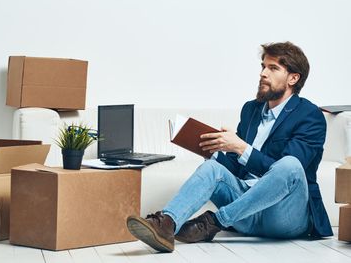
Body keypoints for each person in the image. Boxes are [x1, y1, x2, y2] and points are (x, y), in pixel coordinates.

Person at [126, 41, 332, 253]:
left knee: (290, 165)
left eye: (273, 68)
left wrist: (241, 147)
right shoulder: (251, 110)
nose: (263, 73)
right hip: (244, 212)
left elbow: (287, 175)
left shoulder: (309, 116)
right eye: (263, 66)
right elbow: (236, 169)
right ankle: (166, 225)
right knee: (211, 168)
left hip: (283, 216)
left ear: (293, 78)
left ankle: (214, 222)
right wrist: (214, 150)